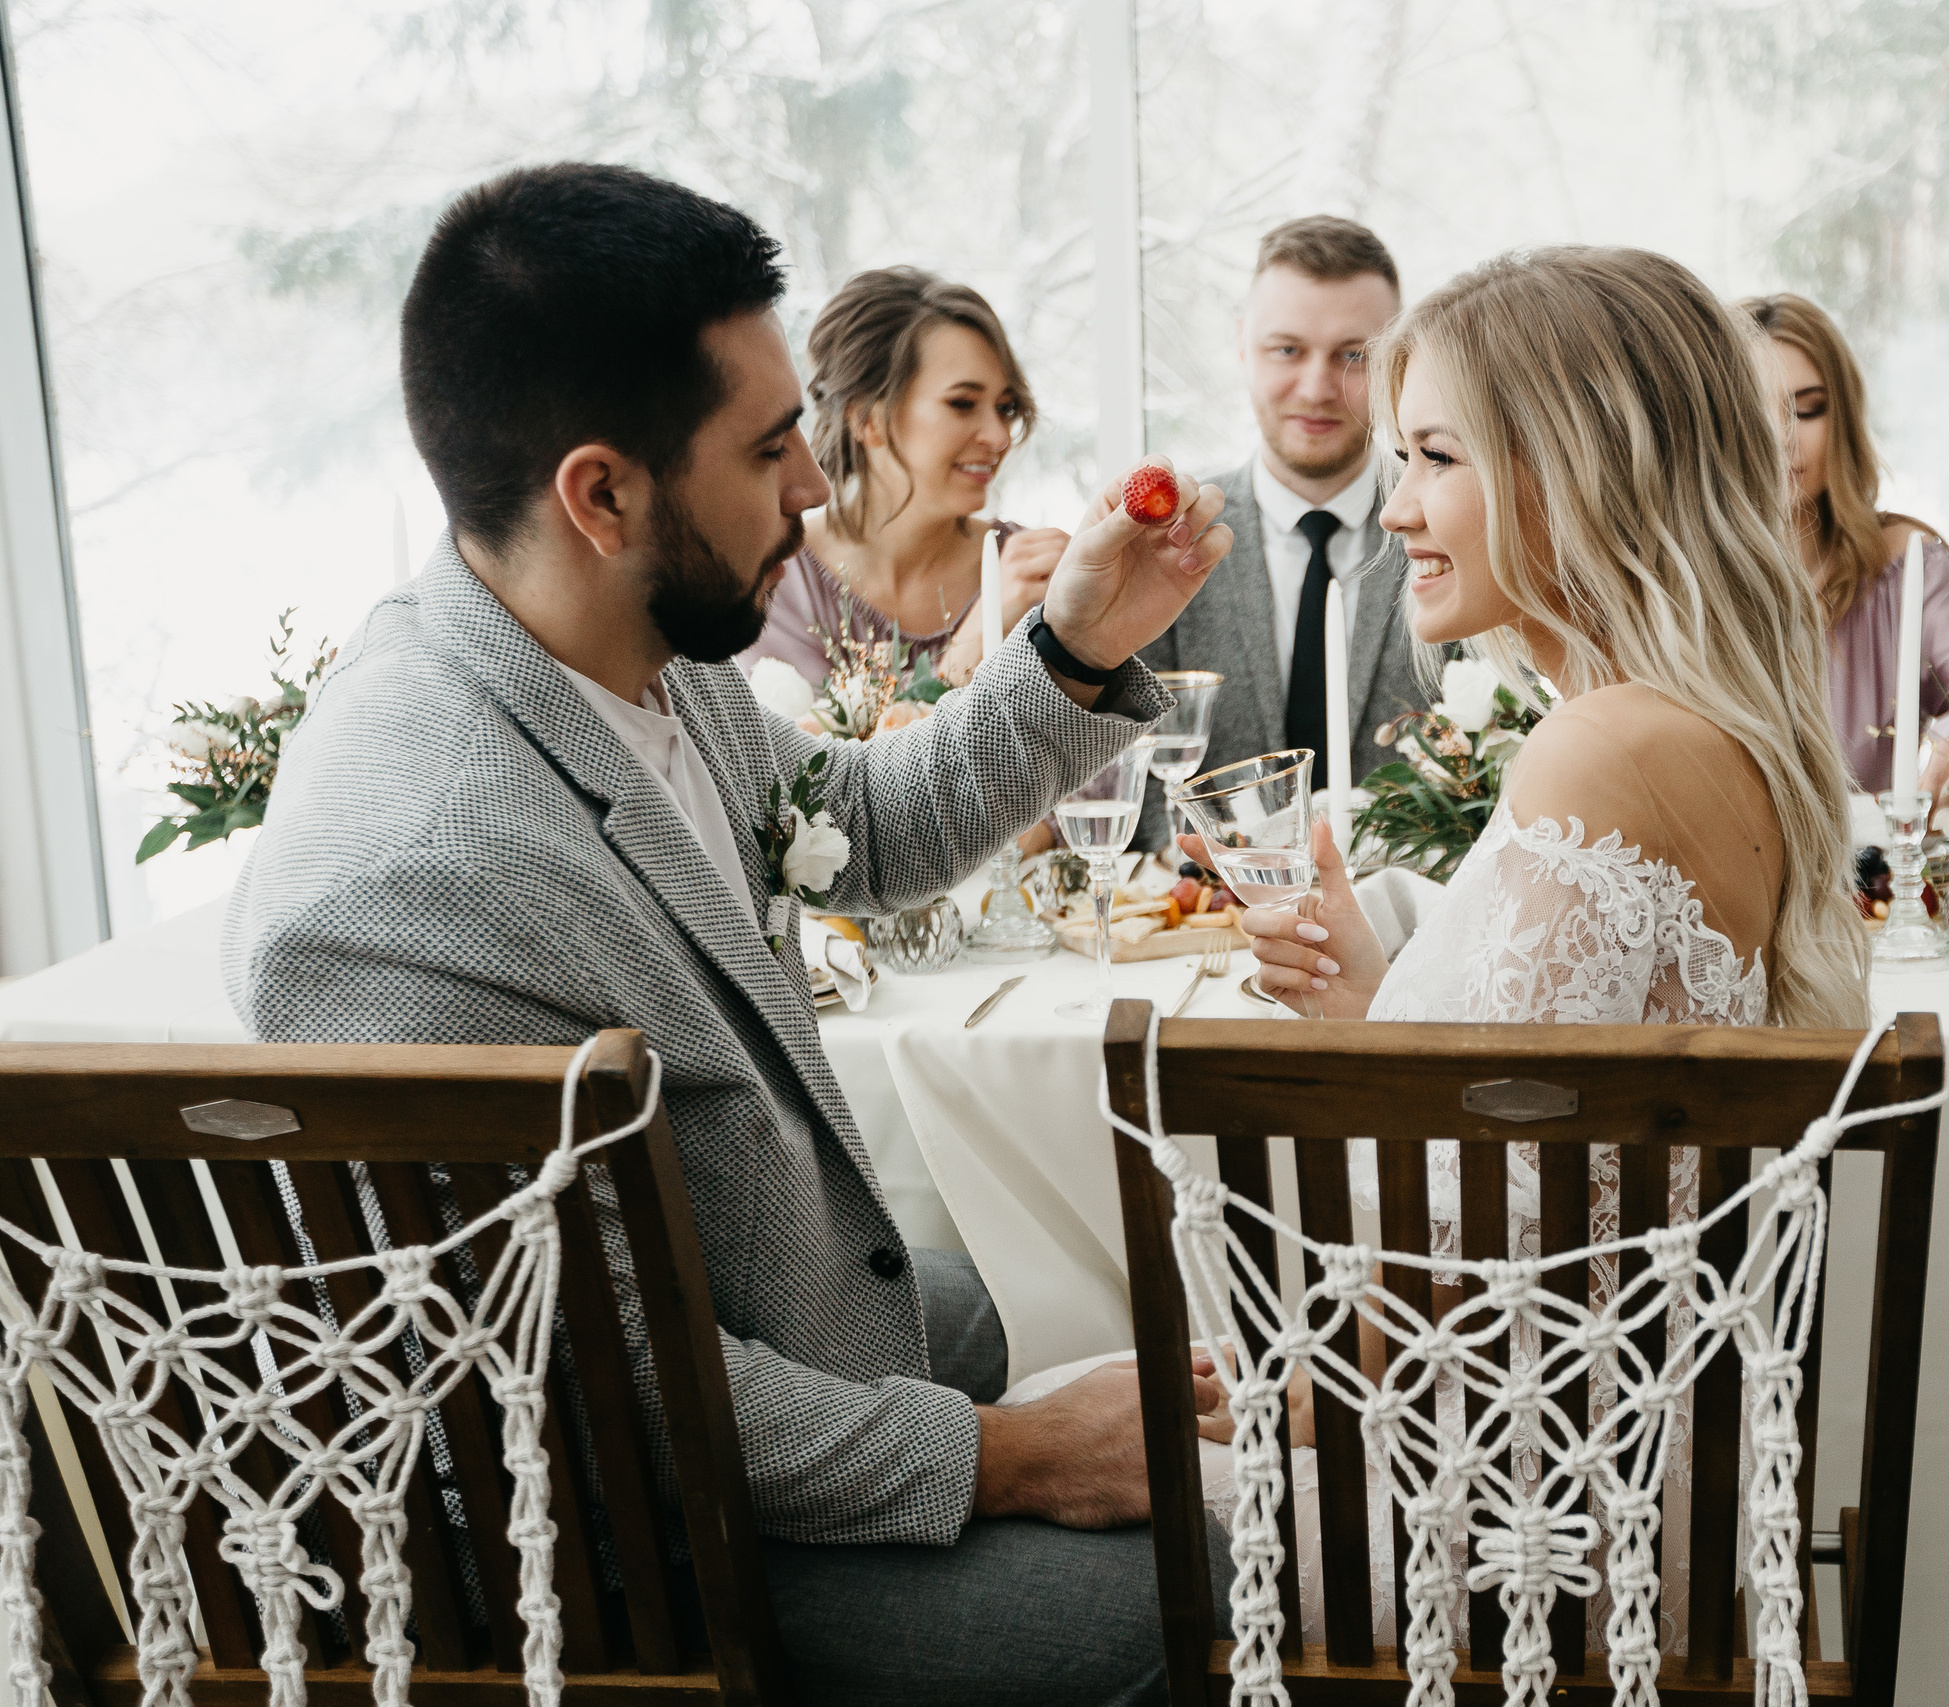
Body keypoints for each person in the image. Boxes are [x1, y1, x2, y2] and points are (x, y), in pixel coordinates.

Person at [223, 163, 1238, 1704]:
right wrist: (1012, 1453)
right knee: (1216, 1586)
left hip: (773, 1323)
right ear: (603, 489)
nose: (819, 488)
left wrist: (1076, 645)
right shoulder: (416, 880)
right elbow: (600, 1392)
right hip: (637, 1547)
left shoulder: (634, 630)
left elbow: (863, 825)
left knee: (1083, 1304)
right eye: (770, 448)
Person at [1207, 247, 1871, 1653]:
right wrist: (1366, 1004)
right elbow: (1553, 1153)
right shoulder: (1681, 724)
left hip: (1502, 1524)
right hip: (1611, 1465)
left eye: (1434, 456)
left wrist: (1262, 1402)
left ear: (1579, 471)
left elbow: (1476, 1267)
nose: (1393, 509)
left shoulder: (1604, 747)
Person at [1136, 215, 1434, 846]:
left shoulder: (1451, 530)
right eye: (1287, 350)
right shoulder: (1166, 540)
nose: (1317, 387)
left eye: (1354, 356)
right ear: (1242, 347)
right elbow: (1123, 789)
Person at [1742, 292, 1949, 799]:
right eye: (1752, 412)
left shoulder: (1909, 568)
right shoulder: (1674, 577)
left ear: (1844, 420)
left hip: (1864, 877)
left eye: (1807, 411)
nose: (1782, 438)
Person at [733, 266, 1067, 689]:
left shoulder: (1034, 575)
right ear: (867, 417)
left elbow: (1101, 753)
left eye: (1005, 407)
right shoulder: (780, 580)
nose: (999, 436)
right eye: (963, 403)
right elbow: (810, 756)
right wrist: (978, 639)